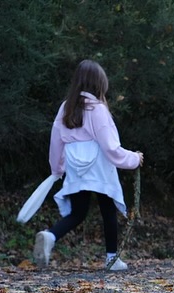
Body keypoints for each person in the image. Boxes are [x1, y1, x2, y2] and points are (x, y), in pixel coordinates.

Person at [34, 60, 144, 271]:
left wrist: (56, 170)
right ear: (99, 85)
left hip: (75, 166)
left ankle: (50, 235)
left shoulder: (66, 108)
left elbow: (56, 142)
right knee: (107, 209)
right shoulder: (98, 109)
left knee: (78, 212)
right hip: (99, 166)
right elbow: (110, 146)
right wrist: (134, 159)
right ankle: (112, 258)